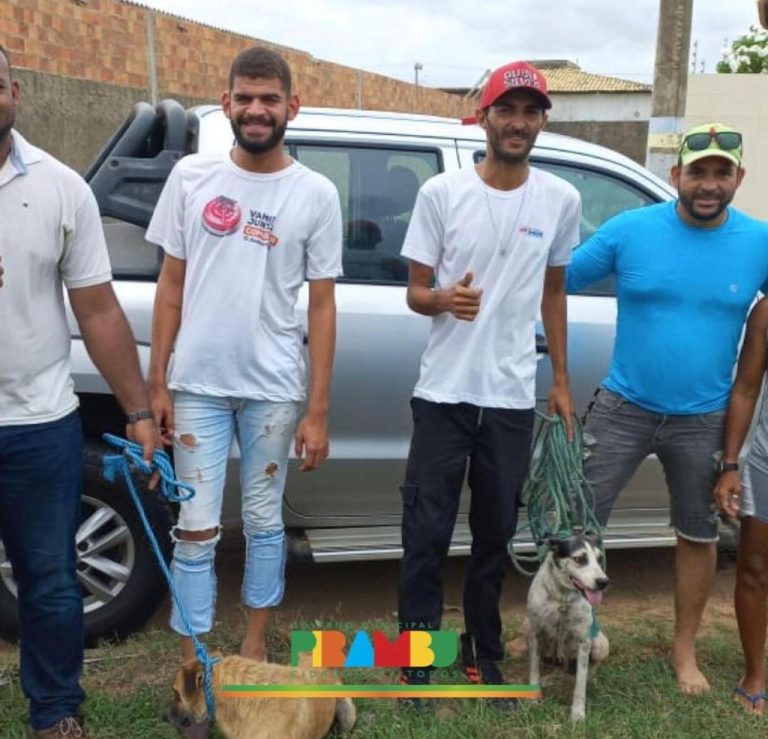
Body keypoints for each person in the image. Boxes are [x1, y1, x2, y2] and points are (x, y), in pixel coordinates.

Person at [147, 46, 342, 664]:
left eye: (270, 99)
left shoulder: (316, 193)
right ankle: (191, 661)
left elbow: (322, 306)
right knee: (195, 527)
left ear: (292, 106)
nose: (258, 110)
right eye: (247, 98)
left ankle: (254, 648)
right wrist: (157, 383)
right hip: (196, 385)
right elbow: (171, 285)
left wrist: (318, 410)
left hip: (274, 389)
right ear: (227, 102)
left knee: (262, 523)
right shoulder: (191, 178)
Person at [397, 61, 581, 699]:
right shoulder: (441, 193)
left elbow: (554, 291)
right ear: (484, 117)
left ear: (541, 123)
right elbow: (415, 292)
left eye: (531, 112)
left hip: (508, 400)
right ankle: (418, 656)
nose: (518, 122)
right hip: (443, 396)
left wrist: (561, 380)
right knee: (425, 536)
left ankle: (482, 653)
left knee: (494, 539)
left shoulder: (560, 199)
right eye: (507, 109)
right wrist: (443, 299)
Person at [567, 123, 768, 694]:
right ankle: (566, 627)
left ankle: (684, 650)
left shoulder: (759, 242)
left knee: (697, 534)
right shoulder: (629, 229)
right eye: (697, 172)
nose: (709, 184)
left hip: (704, 419)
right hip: (622, 407)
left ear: (738, 178)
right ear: (676, 174)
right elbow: (557, 278)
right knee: (578, 524)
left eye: (721, 173)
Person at [0, 45, 158, 738]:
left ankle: (56, 709)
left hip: (39, 423)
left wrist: (139, 411)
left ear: (15, 91)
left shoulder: (62, 188)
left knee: (50, 579)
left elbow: (97, 310)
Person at [713, 297, 768, 714]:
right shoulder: (766, 312)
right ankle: (754, 673)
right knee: (754, 568)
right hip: (767, 463)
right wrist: (730, 464)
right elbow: (746, 389)